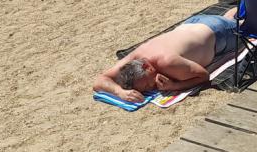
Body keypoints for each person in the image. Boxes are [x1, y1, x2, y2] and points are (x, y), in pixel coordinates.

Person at [93, 6, 240, 102]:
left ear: (147, 67)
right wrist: (119, 92)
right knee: (229, 18)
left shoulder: (167, 62)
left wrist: (176, 85)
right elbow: (99, 81)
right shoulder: (136, 56)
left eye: (148, 84)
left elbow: (203, 76)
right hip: (194, 23)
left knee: (251, 25)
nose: (152, 88)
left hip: (219, 32)